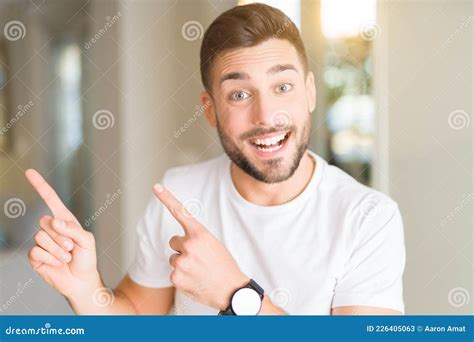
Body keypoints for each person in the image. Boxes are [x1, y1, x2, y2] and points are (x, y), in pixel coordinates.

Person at [25, 3, 405, 315]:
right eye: (240, 94)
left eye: (283, 87)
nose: (265, 116)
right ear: (210, 110)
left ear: (308, 93)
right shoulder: (180, 194)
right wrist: (86, 288)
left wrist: (236, 294)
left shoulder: (367, 218)